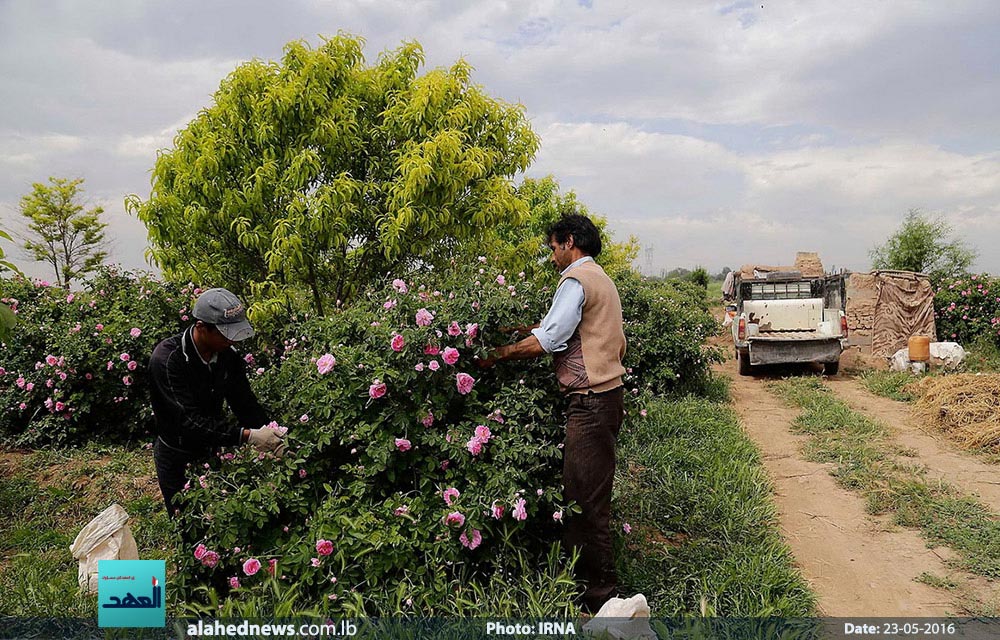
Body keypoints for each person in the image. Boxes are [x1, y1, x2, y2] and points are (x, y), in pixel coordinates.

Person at [478, 214, 627, 613]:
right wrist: (517, 329)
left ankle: (601, 600)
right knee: (588, 495)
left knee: (584, 501)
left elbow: (551, 337)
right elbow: (581, 331)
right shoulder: (601, 278)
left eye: (553, 246)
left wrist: (500, 354)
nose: (551, 255)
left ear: (569, 241)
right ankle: (593, 591)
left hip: (591, 401)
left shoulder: (576, 280)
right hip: (607, 397)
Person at [149, 287, 285, 517]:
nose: (232, 340)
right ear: (201, 327)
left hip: (212, 451)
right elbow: (189, 422)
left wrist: (271, 434)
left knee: (220, 517)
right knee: (188, 525)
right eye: (225, 334)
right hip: (177, 454)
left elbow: (244, 402)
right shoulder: (167, 360)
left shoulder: (227, 356)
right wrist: (247, 436)